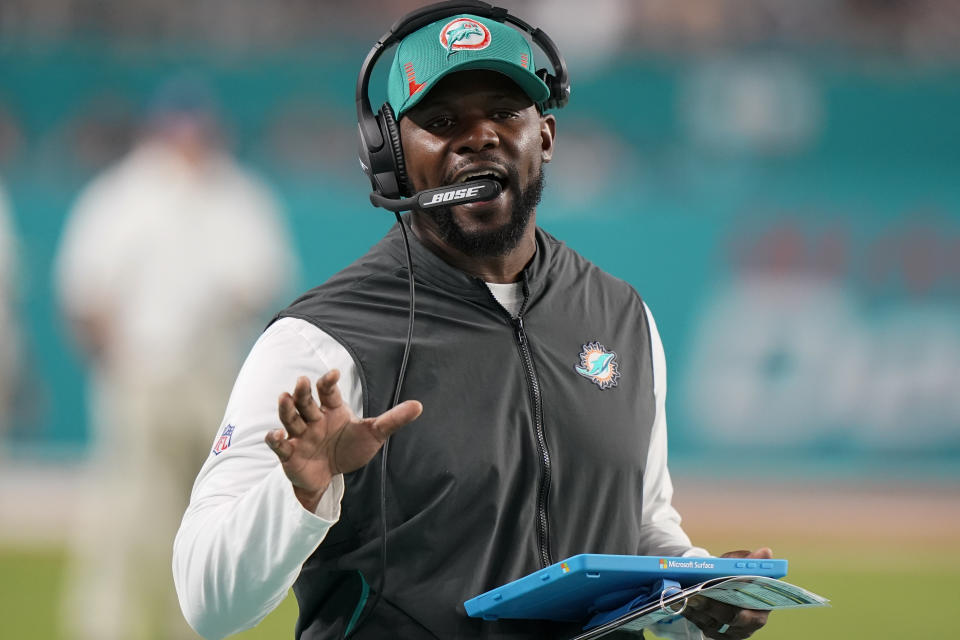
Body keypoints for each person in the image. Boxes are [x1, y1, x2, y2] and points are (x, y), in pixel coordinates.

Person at [174, 7, 772, 640]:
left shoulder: (622, 317)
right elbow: (207, 605)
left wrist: (697, 587)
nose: (478, 137)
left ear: (544, 136)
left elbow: (643, 525)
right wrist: (301, 494)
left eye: (504, 113)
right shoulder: (320, 344)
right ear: (392, 156)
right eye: (441, 121)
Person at [54, 76, 297, 640]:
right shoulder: (121, 195)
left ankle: (187, 627)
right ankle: (104, 627)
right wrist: (115, 362)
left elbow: (264, 285)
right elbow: (85, 296)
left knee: (208, 511)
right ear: (159, 129)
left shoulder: (238, 194)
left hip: (213, 373)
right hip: (140, 371)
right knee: (125, 512)